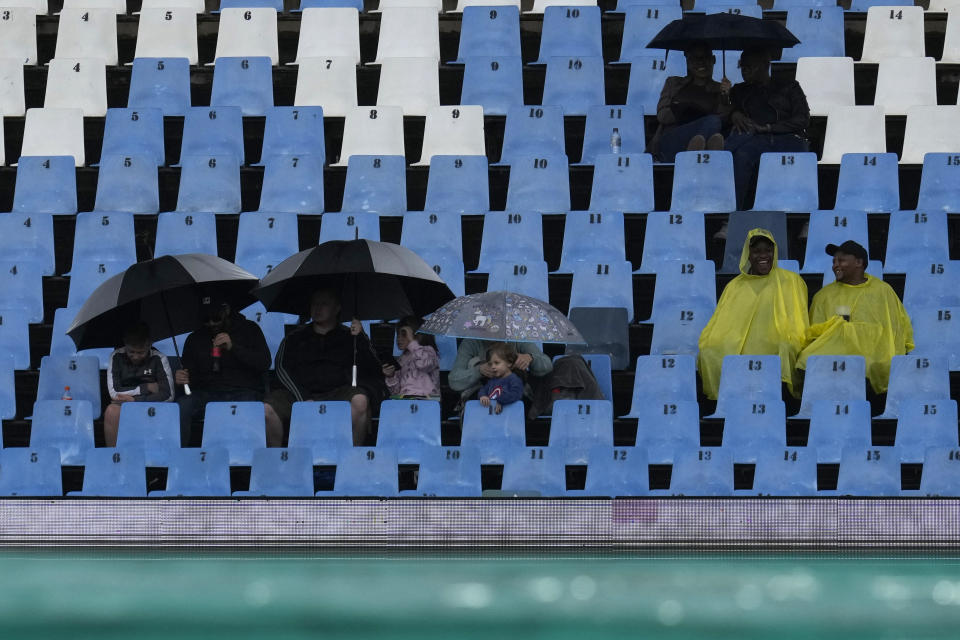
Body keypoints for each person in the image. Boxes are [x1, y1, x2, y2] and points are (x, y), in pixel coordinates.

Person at [265, 288, 386, 446]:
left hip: (338, 392)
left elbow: (374, 367)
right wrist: (302, 397)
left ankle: (351, 460)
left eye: (324, 304)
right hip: (297, 394)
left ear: (337, 308)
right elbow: (281, 369)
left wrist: (361, 337)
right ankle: (277, 464)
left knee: (360, 400)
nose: (317, 308)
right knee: (268, 408)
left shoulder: (352, 336)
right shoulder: (293, 337)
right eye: (314, 304)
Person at [698, 228, 809, 400]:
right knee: (710, 348)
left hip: (774, 337)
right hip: (740, 339)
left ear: (775, 252)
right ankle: (724, 401)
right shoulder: (734, 285)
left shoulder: (791, 280)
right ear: (748, 255)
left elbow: (797, 317)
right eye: (756, 251)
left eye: (768, 250)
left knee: (785, 345)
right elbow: (721, 322)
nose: (763, 256)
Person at [797, 240, 914, 395]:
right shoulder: (823, 296)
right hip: (830, 363)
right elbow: (814, 335)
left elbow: (898, 329)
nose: (835, 265)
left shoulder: (883, 291)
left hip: (872, 361)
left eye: (841, 260)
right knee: (805, 362)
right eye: (834, 262)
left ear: (859, 262)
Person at [175, 295, 272, 447]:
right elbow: (188, 386)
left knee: (249, 405)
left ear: (226, 310)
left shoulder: (250, 329)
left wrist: (234, 348)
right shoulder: (195, 338)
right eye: (206, 319)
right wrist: (182, 381)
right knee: (182, 405)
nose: (211, 323)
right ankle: (180, 457)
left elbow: (264, 363)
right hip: (207, 392)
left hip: (243, 390)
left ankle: (247, 459)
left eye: (215, 318)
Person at [725, 47, 811, 210]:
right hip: (757, 139)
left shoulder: (790, 86)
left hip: (788, 137)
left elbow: (803, 119)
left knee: (801, 153)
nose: (744, 71)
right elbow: (725, 111)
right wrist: (733, 113)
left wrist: (769, 127)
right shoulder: (739, 91)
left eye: (749, 67)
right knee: (742, 155)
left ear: (765, 66)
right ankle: (732, 215)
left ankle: (805, 216)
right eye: (742, 66)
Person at [649, 44, 732, 162]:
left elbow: (724, 120)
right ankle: (700, 154)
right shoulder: (673, 83)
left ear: (713, 60)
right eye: (695, 58)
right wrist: (688, 109)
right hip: (671, 140)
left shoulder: (720, 89)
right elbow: (662, 115)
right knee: (711, 122)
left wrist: (725, 97)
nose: (701, 62)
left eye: (705, 58)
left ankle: (695, 154)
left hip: (704, 136)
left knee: (714, 126)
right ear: (688, 62)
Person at [103, 322, 174, 447]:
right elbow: (114, 393)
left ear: (149, 345)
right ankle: (113, 455)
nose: (135, 356)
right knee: (111, 411)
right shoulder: (116, 356)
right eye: (131, 352)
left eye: (141, 352)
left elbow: (168, 395)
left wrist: (134, 401)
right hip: (126, 406)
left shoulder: (160, 358)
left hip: (151, 405)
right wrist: (146, 388)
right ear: (125, 344)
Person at [448, 338, 553, 410]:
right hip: (478, 400)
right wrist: (478, 370)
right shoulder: (471, 342)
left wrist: (530, 357)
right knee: (473, 362)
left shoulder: (517, 338)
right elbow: (454, 381)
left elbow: (547, 366)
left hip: (515, 398)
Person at [382, 316, 440, 399]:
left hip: (427, 400)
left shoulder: (429, 351)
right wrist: (391, 376)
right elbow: (395, 392)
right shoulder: (401, 359)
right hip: (404, 400)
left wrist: (412, 342)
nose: (399, 338)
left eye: (404, 334)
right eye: (398, 334)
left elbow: (424, 364)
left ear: (418, 335)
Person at [477, 342, 525, 415]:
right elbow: (484, 389)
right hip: (491, 416)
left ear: (509, 362)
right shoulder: (493, 380)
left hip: (508, 416)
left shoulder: (514, 380)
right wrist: (483, 396)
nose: (493, 367)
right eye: (490, 364)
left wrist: (501, 401)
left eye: (496, 363)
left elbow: (516, 394)